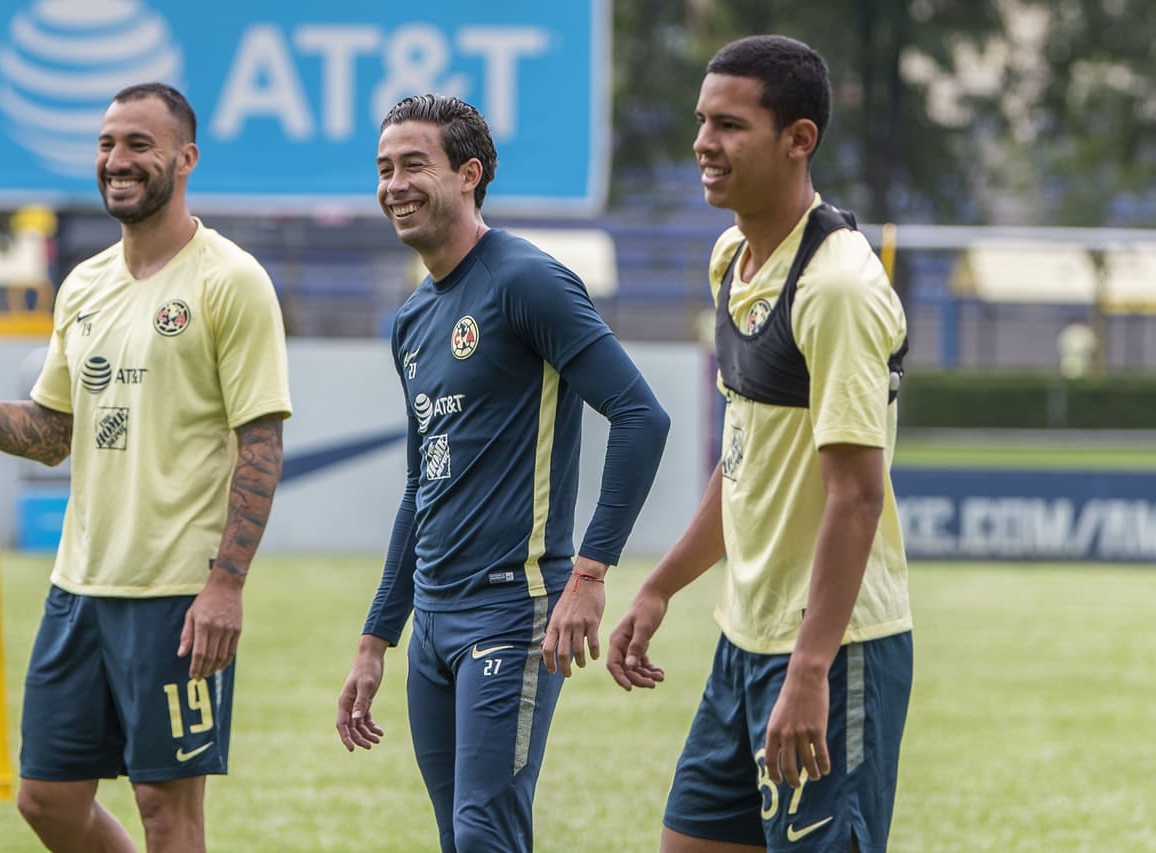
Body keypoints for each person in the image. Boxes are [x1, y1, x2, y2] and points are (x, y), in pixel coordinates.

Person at [0, 82, 292, 852]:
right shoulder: (83, 284)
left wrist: (226, 584)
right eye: (108, 144)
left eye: (138, 145)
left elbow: (262, 443)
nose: (117, 160)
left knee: (165, 808)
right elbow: (51, 435)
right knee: (44, 798)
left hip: (176, 592)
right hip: (78, 587)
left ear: (185, 159)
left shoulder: (230, 280)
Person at [335, 93, 670, 852]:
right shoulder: (414, 319)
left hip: (511, 613)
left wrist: (587, 576)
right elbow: (422, 487)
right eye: (384, 169)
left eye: (414, 164)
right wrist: (376, 636)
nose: (395, 185)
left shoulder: (528, 281)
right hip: (433, 628)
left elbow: (641, 415)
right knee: (462, 836)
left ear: (470, 174)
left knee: (485, 830)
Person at [607, 35, 912, 853]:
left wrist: (810, 669)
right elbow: (745, 464)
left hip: (831, 653)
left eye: (730, 125)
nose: (703, 143)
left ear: (798, 138)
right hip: (742, 644)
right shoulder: (731, 261)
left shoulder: (838, 287)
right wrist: (660, 587)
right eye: (703, 121)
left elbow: (855, 494)